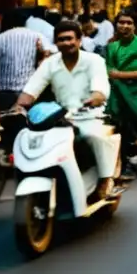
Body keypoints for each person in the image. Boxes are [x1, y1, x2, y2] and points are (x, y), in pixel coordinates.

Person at [17, 20, 115, 194]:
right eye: (61, 39)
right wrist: (17, 107)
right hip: (60, 118)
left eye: (70, 39)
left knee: (93, 135)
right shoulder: (50, 63)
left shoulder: (94, 60)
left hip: (90, 115)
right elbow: (31, 90)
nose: (66, 43)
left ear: (79, 40)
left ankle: (105, 179)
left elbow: (100, 90)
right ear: (55, 42)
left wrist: (94, 98)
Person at [105, 11, 137, 179]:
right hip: (117, 92)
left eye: (129, 23)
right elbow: (108, 69)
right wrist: (116, 77)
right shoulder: (111, 46)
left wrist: (122, 76)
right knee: (116, 123)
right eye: (121, 22)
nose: (125, 26)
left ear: (135, 26)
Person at [0, 10, 48, 115]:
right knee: (29, 122)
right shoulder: (37, 36)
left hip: (4, 93)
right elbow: (49, 54)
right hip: (29, 91)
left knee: (6, 123)